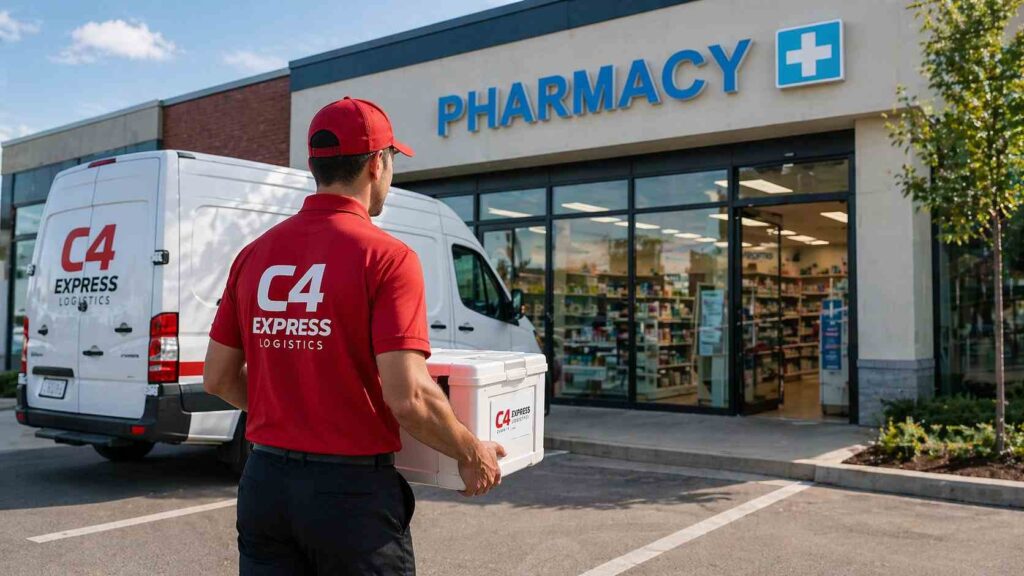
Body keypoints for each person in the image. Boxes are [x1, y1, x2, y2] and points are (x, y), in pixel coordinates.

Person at [203, 96, 505, 575]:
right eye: (392, 162)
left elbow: (217, 378)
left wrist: (291, 415)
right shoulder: (388, 257)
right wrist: (473, 452)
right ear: (377, 163)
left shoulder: (254, 255)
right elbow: (408, 397)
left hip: (265, 485)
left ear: (314, 165)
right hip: (349, 498)